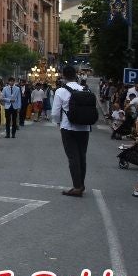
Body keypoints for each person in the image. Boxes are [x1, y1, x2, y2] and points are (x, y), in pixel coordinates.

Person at [51, 64, 93, 198]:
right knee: (82, 156)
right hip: (85, 127)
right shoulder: (85, 89)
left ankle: (77, 186)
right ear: (76, 75)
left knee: (73, 157)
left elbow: (56, 112)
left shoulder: (61, 91)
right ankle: (81, 184)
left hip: (68, 127)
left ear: (63, 76)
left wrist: (58, 123)